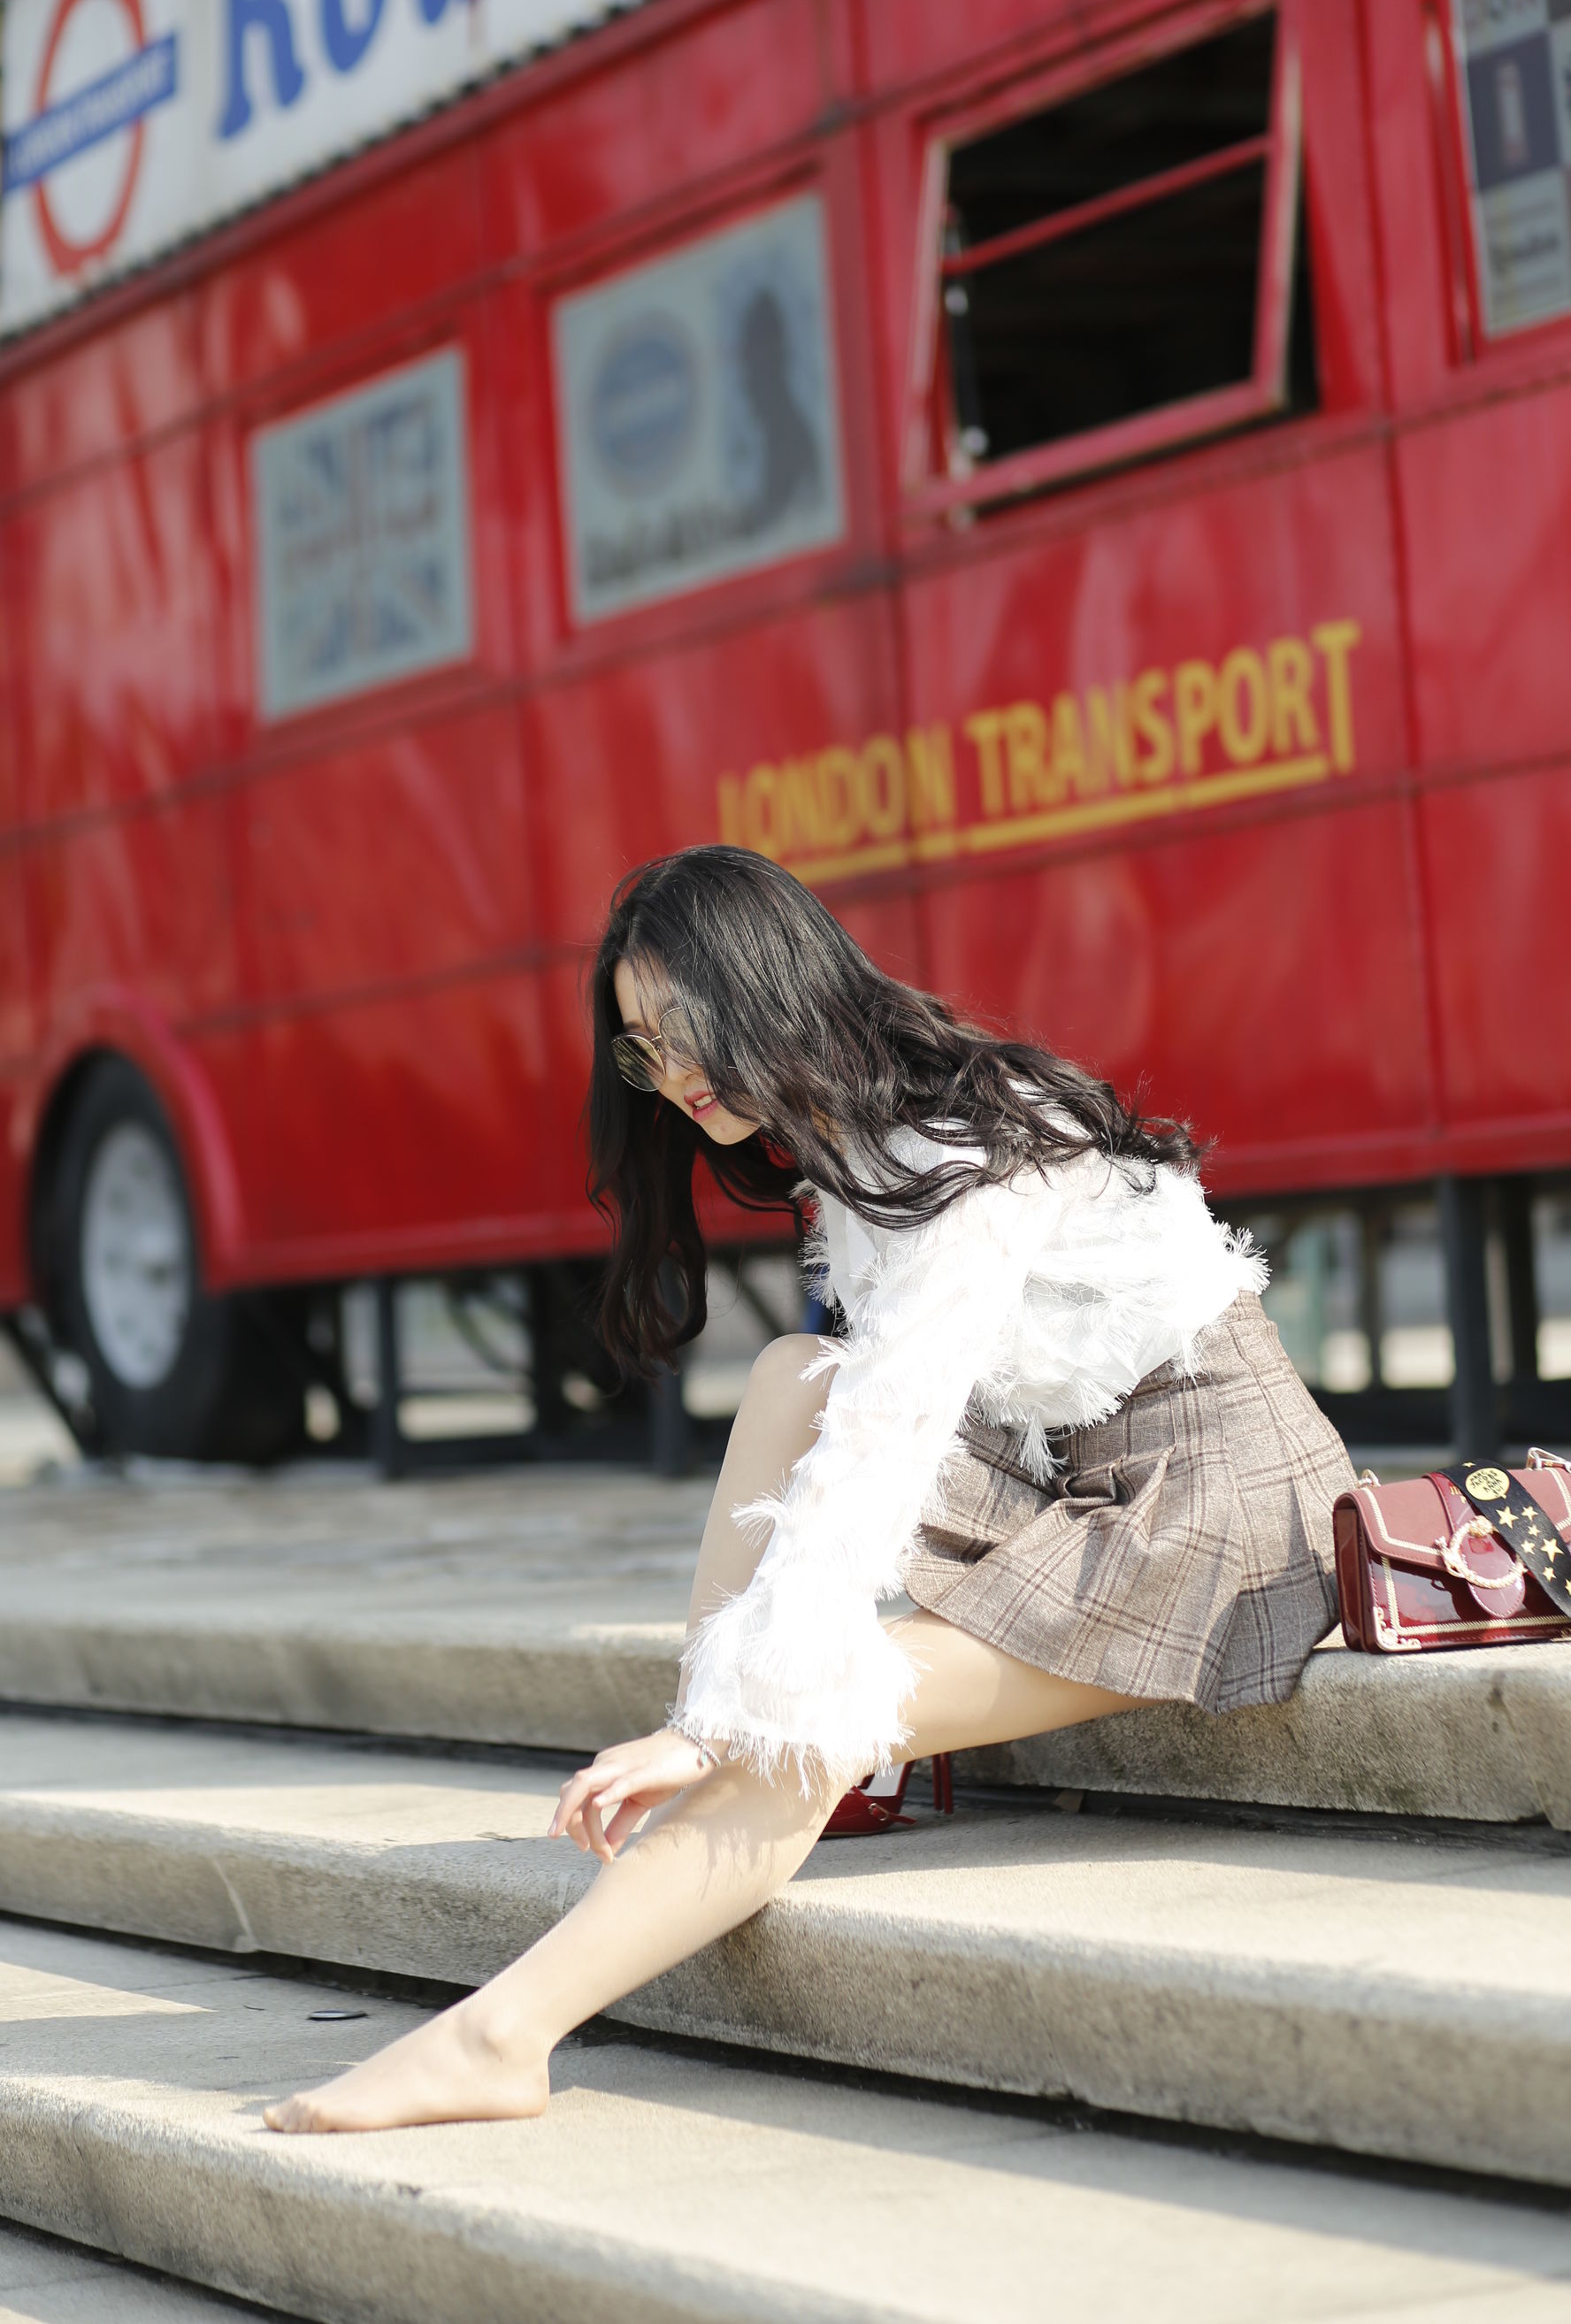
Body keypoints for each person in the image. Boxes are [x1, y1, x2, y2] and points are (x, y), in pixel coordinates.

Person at [264, 846, 1350, 2134]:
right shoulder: (856, 1149)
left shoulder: (964, 1140)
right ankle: (715, 1742)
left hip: (1216, 1514)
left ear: (767, 984)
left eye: (687, 1027)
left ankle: (502, 2038)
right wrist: (719, 1707)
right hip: (1077, 1477)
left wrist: (745, 1713)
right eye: (641, 1050)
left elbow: (893, 1428)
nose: (673, 1075)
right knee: (792, 1374)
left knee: (809, 1710)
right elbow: (860, 1412)